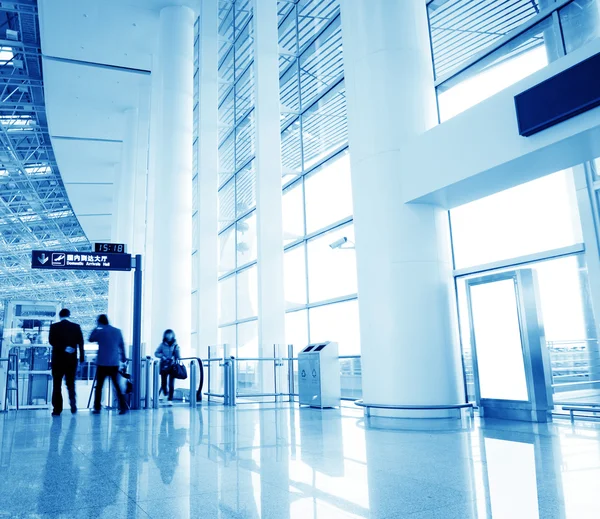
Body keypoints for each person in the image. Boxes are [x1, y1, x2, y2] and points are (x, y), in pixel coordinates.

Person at [88, 314, 127, 415]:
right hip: (114, 363)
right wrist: (123, 358)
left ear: (99, 322)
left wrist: (96, 328)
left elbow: (90, 339)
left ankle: (97, 408)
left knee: (99, 386)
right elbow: (122, 346)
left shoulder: (100, 331)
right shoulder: (117, 331)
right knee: (117, 386)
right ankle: (123, 406)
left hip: (102, 363)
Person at [48, 308, 84, 416]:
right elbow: (81, 343)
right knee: (70, 383)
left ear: (60, 316)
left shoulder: (54, 327)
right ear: (69, 315)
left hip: (58, 360)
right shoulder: (76, 327)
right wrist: (82, 358)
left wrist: (64, 348)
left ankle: (57, 409)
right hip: (71, 360)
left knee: (57, 384)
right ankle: (73, 404)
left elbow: (51, 341)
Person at [155, 329, 180, 405]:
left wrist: (176, 355)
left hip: (172, 366)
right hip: (164, 366)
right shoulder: (162, 345)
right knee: (163, 384)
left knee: (171, 384)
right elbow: (156, 353)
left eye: (170, 334)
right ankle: (166, 393)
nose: (169, 336)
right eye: (167, 334)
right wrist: (162, 356)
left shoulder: (175, 345)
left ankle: (170, 399)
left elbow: (178, 356)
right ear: (165, 335)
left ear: (173, 335)